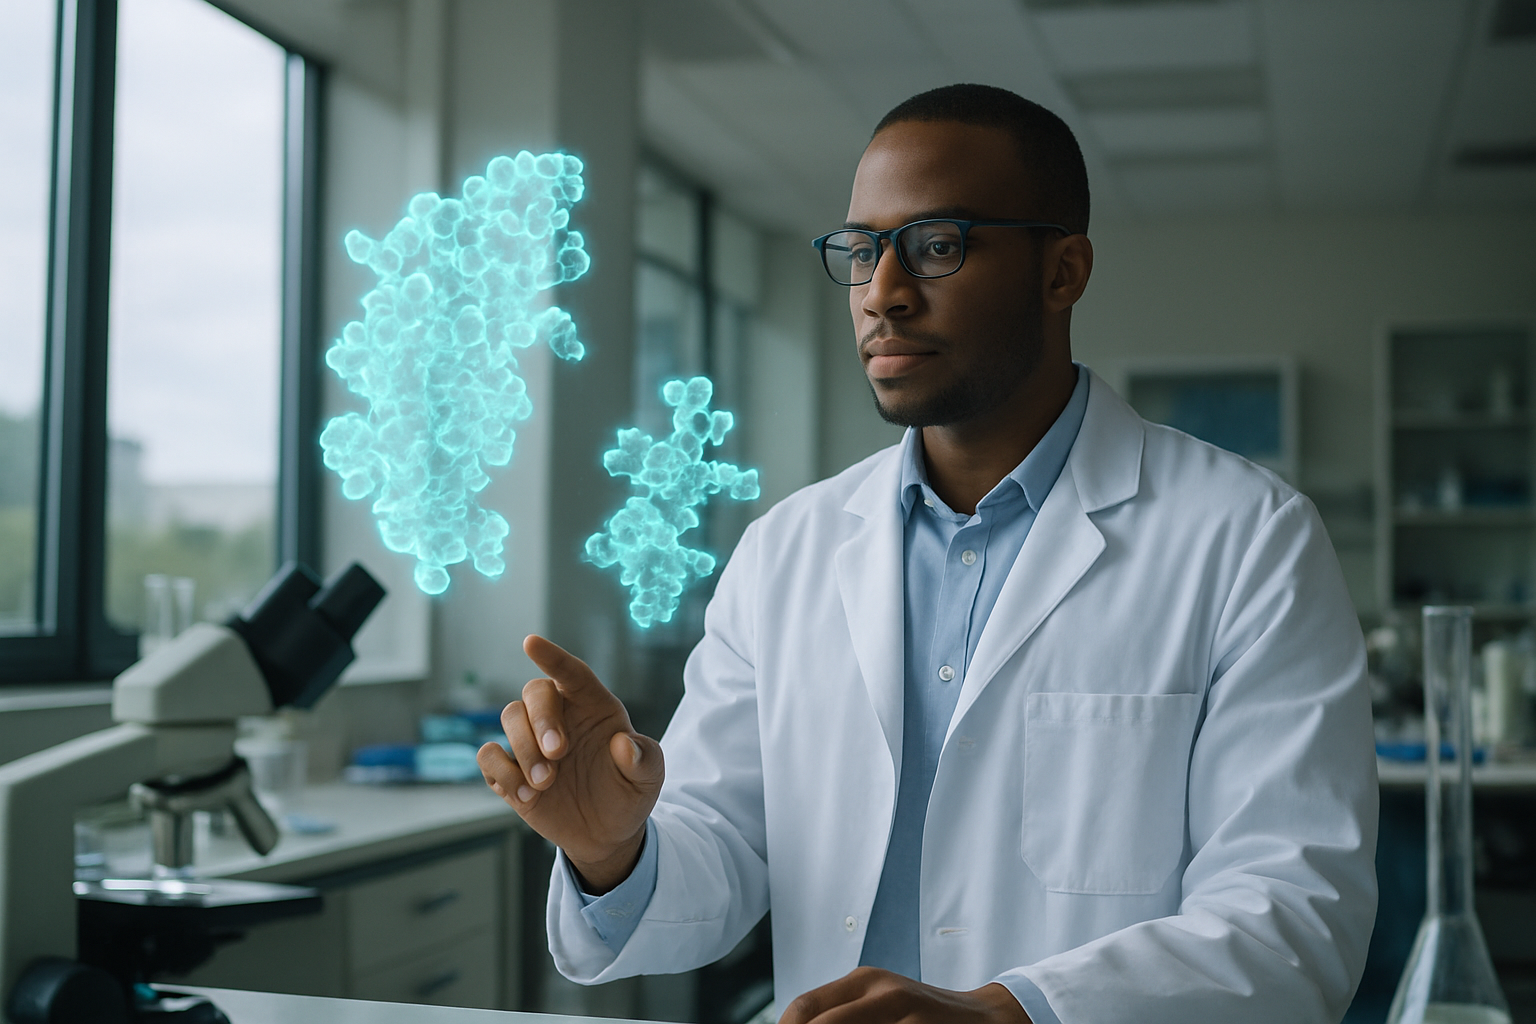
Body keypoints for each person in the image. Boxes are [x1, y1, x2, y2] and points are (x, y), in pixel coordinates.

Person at [478, 83, 1378, 1024]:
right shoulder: (787, 551)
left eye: (938, 245)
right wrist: (612, 851)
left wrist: (1012, 1012)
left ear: (1062, 271)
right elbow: (725, 856)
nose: (882, 293)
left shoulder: (1245, 539)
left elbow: (1291, 917)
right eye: (864, 250)